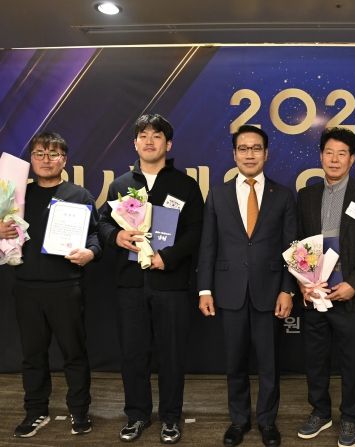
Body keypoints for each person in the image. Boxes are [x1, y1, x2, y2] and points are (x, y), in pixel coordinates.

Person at [97, 114, 203, 444]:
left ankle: (171, 417)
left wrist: (167, 257)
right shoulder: (120, 185)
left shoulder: (185, 185)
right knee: (133, 354)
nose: (149, 141)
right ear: (134, 143)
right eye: (143, 135)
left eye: (157, 135)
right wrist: (116, 236)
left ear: (168, 144)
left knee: (172, 354)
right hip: (130, 284)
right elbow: (103, 223)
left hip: (171, 284)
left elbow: (195, 231)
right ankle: (137, 415)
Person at [0, 132, 101, 438]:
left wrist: (91, 252)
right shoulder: (16, 198)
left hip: (66, 286)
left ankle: (79, 411)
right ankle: (36, 411)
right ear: (31, 159)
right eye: (40, 154)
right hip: (26, 288)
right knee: (33, 355)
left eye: (53, 154)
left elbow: (95, 236)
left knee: (74, 354)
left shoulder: (80, 195)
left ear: (64, 160)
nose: (46, 160)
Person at [197, 124, 296, 447]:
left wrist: (287, 289)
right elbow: (208, 245)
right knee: (235, 363)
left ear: (266, 154)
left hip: (270, 291)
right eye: (243, 148)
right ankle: (238, 421)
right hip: (229, 291)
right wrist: (205, 289)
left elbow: (291, 247)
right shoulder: (218, 193)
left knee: (269, 364)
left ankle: (267, 422)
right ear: (234, 154)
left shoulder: (283, 195)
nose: (249, 154)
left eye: (256, 148)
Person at [295, 128, 355, 447]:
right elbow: (299, 243)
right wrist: (304, 284)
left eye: (341, 154)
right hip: (315, 293)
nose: (334, 159)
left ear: (352, 159)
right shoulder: (306, 195)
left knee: (352, 361)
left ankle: (349, 417)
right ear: (321, 156)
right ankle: (320, 412)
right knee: (315, 359)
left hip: (351, 295)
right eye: (329, 153)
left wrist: (354, 284)